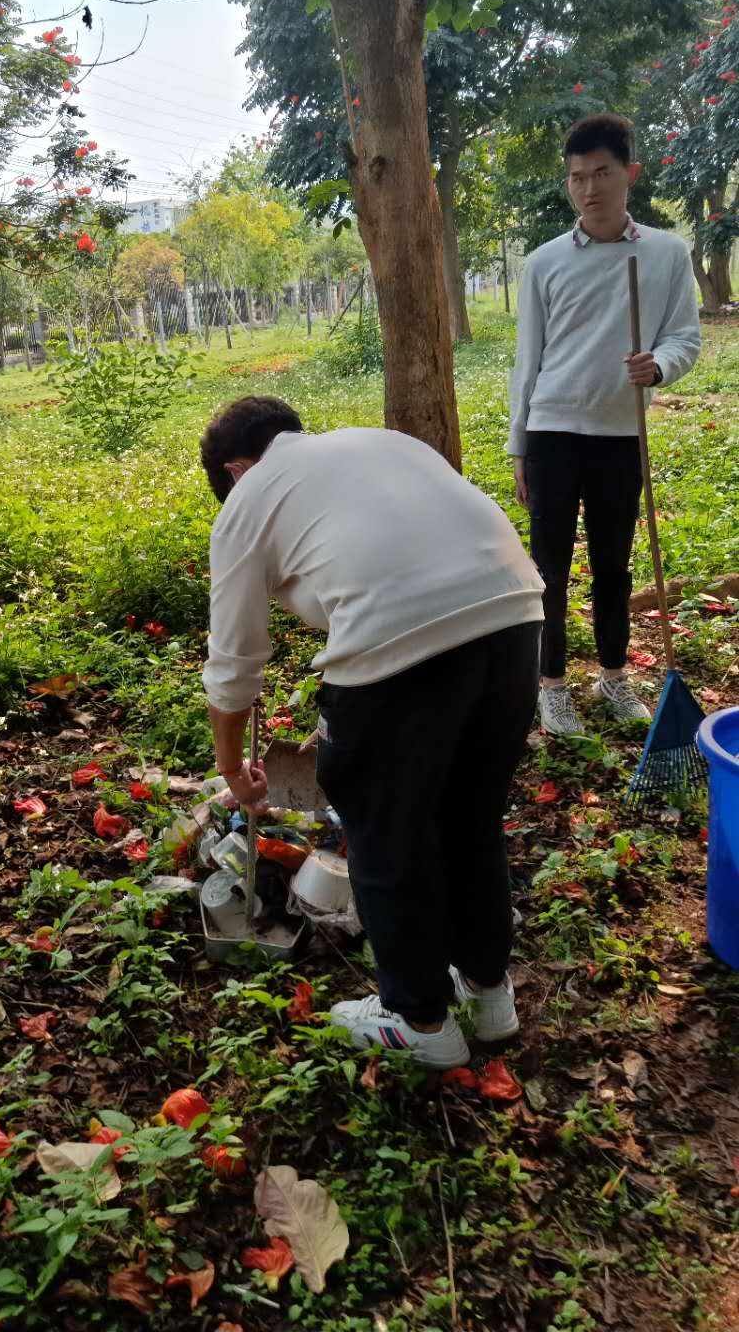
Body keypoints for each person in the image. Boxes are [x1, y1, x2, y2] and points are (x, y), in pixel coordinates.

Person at [199, 397, 545, 1069]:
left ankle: (419, 1019)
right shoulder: (381, 444)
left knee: (386, 833)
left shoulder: (249, 499)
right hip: (514, 622)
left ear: (236, 471)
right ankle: (489, 994)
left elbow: (234, 667)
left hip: (405, 647)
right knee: (470, 816)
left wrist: (232, 767)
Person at [509, 113, 701, 738]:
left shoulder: (666, 254)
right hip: (552, 432)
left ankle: (614, 675)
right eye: (576, 177)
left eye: (601, 173)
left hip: (621, 434)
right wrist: (519, 447)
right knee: (547, 567)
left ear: (630, 174)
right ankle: (552, 684)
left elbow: (684, 337)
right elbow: (527, 360)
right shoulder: (544, 262)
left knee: (614, 564)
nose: (588, 189)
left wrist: (659, 365)